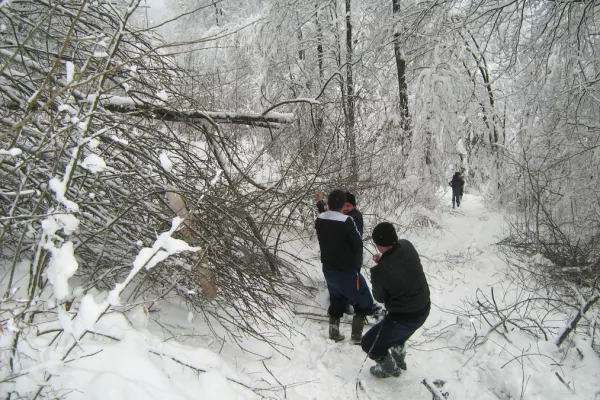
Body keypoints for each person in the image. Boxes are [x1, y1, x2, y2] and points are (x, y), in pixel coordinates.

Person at [361, 222, 430, 378]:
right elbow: (399, 263)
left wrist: (380, 268)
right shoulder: (407, 245)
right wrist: (384, 260)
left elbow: (379, 297)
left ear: (378, 244)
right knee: (398, 334)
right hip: (424, 307)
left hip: (404, 316)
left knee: (369, 344)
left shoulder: (380, 271)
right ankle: (398, 354)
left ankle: (390, 369)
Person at [315, 189, 377, 344]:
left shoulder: (320, 220)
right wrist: (356, 267)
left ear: (329, 204)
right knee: (364, 300)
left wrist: (321, 203)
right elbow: (357, 244)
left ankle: (334, 333)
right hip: (347, 271)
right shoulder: (347, 222)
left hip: (328, 269)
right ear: (343, 205)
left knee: (336, 298)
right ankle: (356, 336)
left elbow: (327, 215)